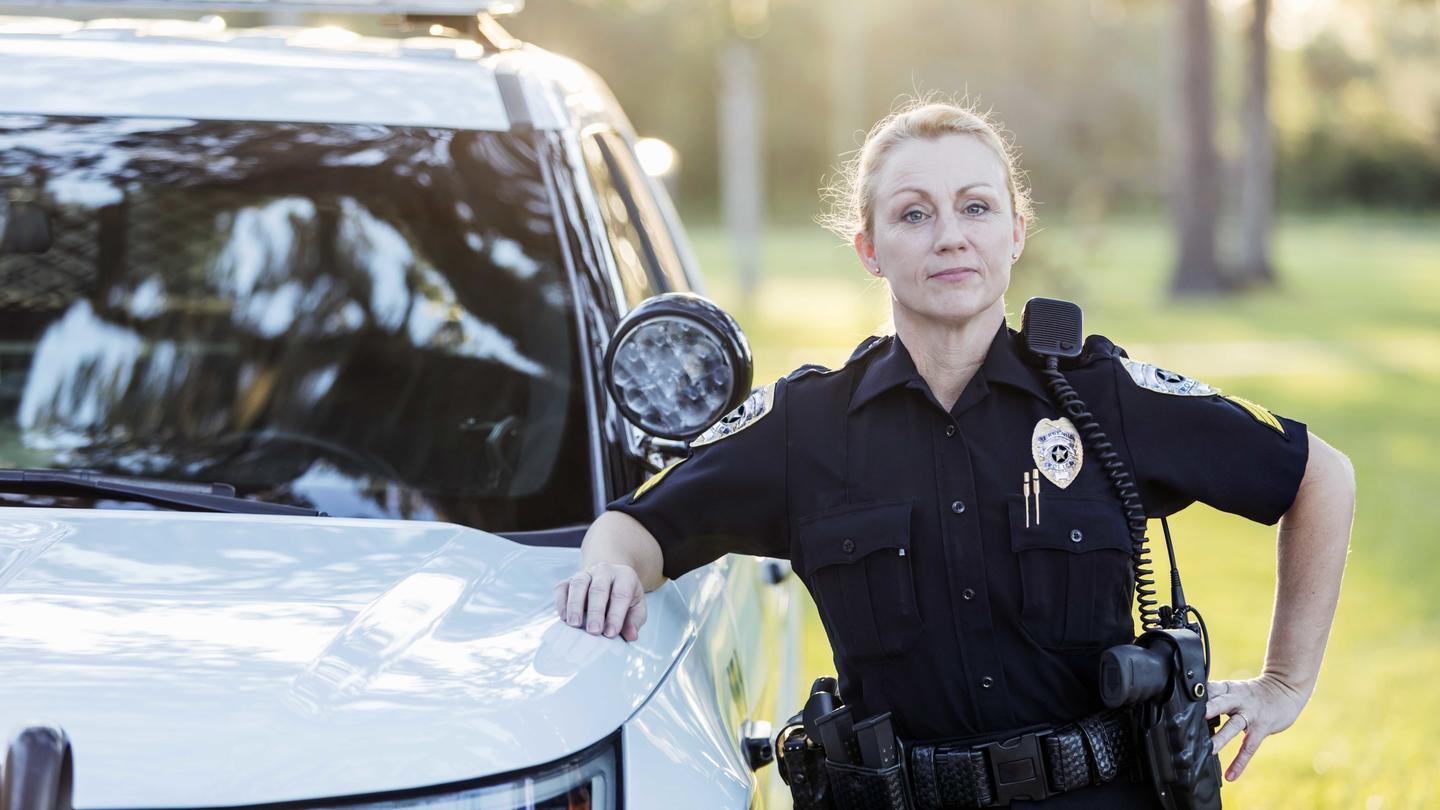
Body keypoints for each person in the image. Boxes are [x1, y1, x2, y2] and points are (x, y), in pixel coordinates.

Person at [554, 96, 1355, 808]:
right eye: (913, 214)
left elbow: (1319, 476)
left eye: (975, 208)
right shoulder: (808, 425)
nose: (950, 238)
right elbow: (638, 527)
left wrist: (1284, 685)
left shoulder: (1104, 395)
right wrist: (608, 567)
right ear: (868, 248)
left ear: (1015, 231)